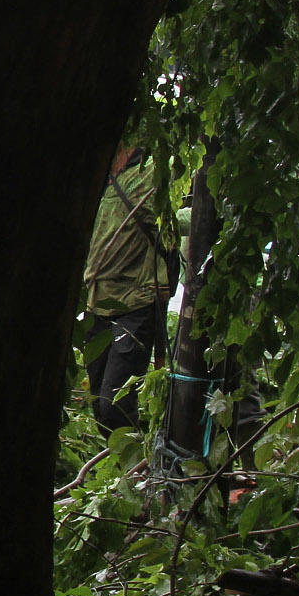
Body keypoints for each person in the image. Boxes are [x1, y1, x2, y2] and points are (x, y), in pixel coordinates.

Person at [81, 144, 184, 429]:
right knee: (100, 409)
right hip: (97, 300)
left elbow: (176, 217)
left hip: (137, 302)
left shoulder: (150, 172)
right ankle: (122, 468)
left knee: (115, 405)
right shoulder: (101, 179)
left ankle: (136, 467)